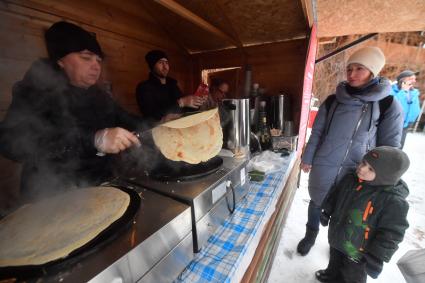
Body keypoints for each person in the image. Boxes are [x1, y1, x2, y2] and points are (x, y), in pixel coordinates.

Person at [0, 21, 143, 201]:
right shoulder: (35, 88)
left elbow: (124, 118)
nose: (96, 66)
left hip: (99, 185)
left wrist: (160, 122)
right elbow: (9, 141)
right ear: (60, 60)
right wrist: (94, 139)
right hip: (52, 193)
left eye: (98, 60)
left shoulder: (97, 94)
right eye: (86, 57)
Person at [297, 46, 403, 256]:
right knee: (316, 201)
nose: (352, 75)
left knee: (344, 210)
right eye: (349, 69)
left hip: (358, 171)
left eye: (359, 69)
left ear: (373, 72)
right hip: (325, 163)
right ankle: (310, 235)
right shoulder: (333, 100)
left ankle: (335, 246)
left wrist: (379, 177)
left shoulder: (388, 104)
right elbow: (317, 133)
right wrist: (308, 158)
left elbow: (390, 149)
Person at [316, 146, 410, 283]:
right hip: (338, 236)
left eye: (371, 169)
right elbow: (336, 196)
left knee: (352, 276)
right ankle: (331, 274)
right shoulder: (350, 179)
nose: (362, 168)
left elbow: (392, 233)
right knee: (334, 259)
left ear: (385, 176)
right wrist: (327, 211)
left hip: (359, 252)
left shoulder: (392, 200)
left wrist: (377, 256)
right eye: (364, 163)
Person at [136, 50, 204, 121]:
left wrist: (196, 102)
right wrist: (181, 102)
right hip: (158, 129)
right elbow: (151, 115)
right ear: (152, 65)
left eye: (166, 62)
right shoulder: (144, 88)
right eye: (160, 63)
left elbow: (185, 108)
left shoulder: (172, 85)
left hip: (179, 126)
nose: (165, 67)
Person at [391, 70, 421, 148]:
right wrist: (403, 91)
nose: (414, 81)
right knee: (391, 145)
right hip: (394, 122)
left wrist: (412, 119)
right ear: (403, 79)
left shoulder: (414, 92)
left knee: (400, 145)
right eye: (411, 79)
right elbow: (393, 103)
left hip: (407, 124)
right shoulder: (392, 90)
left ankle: (397, 159)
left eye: (414, 79)